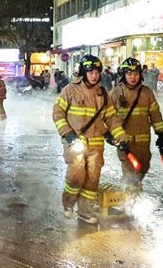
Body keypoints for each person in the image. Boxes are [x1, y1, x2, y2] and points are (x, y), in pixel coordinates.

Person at [52, 54, 125, 224]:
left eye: (97, 72)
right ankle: (68, 203)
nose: (94, 75)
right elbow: (57, 113)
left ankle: (85, 211)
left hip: (96, 143)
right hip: (74, 141)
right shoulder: (70, 90)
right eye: (91, 72)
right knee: (76, 173)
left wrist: (119, 136)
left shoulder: (103, 94)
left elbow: (112, 119)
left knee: (93, 177)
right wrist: (67, 134)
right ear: (84, 72)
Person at [109, 58, 163, 199]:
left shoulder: (147, 92)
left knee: (143, 166)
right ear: (124, 75)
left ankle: (133, 189)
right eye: (129, 74)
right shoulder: (115, 93)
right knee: (129, 169)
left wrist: (161, 133)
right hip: (124, 140)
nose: (133, 77)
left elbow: (155, 114)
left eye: (135, 74)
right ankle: (130, 199)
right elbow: (109, 117)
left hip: (143, 139)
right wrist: (114, 136)